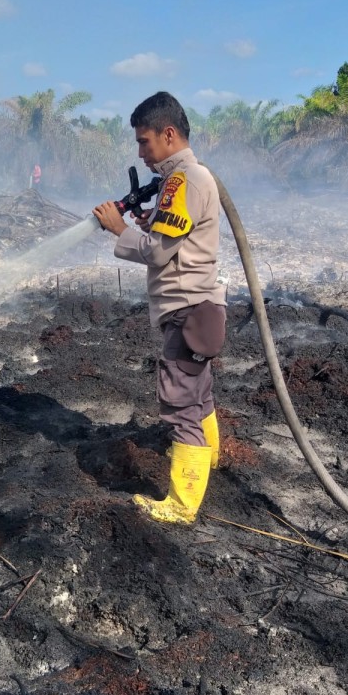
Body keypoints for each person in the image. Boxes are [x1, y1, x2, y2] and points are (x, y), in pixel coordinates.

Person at [93, 91, 226, 525]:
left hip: (186, 310)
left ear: (168, 135)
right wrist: (151, 221)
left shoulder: (184, 180)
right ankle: (208, 460)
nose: (141, 153)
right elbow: (176, 238)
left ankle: (181, 505)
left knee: (179, 403)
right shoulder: (188, 179)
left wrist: (118, 229)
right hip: (202, 310)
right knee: (199, 395)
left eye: (144, 142)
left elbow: (158, 254)